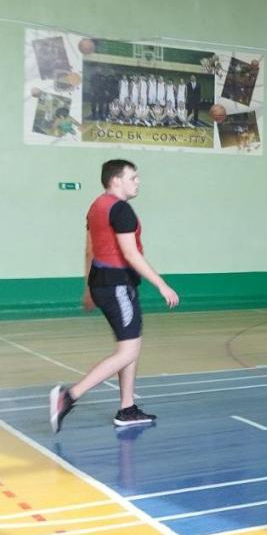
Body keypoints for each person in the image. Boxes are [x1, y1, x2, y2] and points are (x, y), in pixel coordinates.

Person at [48, 160, 180, 433]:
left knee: (130, 344)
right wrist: (162, 285)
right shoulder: (121, 210)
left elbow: (89, 250)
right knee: (128, 350)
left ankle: (127, 408)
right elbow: (131, 254)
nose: (138, 182)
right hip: (118, 285)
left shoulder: (96, 206)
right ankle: (68, 397)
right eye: (133, 177)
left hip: (102, 283)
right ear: (116, 180)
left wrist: (88, 287)